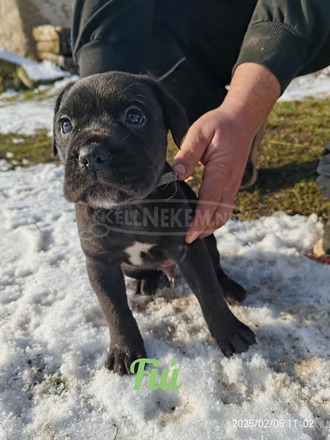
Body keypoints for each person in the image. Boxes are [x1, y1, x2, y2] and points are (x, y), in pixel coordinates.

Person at [71, 0, 330, 245]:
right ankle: (225, 144)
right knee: (151, 25)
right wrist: (102, 140)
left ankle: (242, 127)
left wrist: (243, 109)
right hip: (215, 20)